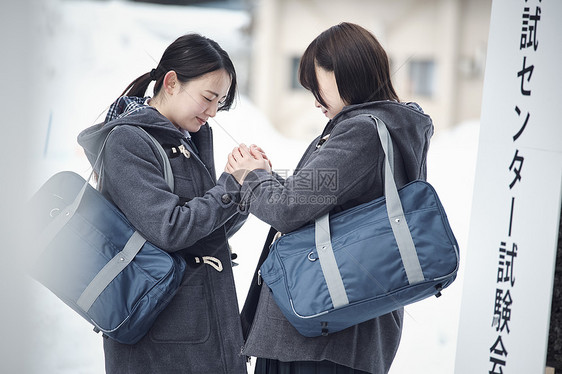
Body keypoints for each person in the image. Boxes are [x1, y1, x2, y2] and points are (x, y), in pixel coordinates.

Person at [227, 22, 434, 373]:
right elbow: (319, 200)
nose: (315, 99)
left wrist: (253, 176)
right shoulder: (397, 128)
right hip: (350, 329)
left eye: (316, 84)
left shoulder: (362, 132)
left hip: (319, 336)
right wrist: (271, 179)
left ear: (344, 73)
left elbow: (290, 209)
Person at [78, 33, 262, 374]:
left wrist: (242, 187)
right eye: (208, 98)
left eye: (220, 102)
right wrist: (228, 185)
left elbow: (207, 232)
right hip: (162, 338)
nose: (213, 112)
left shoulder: (184, 139)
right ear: (172, 82)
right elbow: (170, 228)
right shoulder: (128, 140)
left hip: (194, 325)